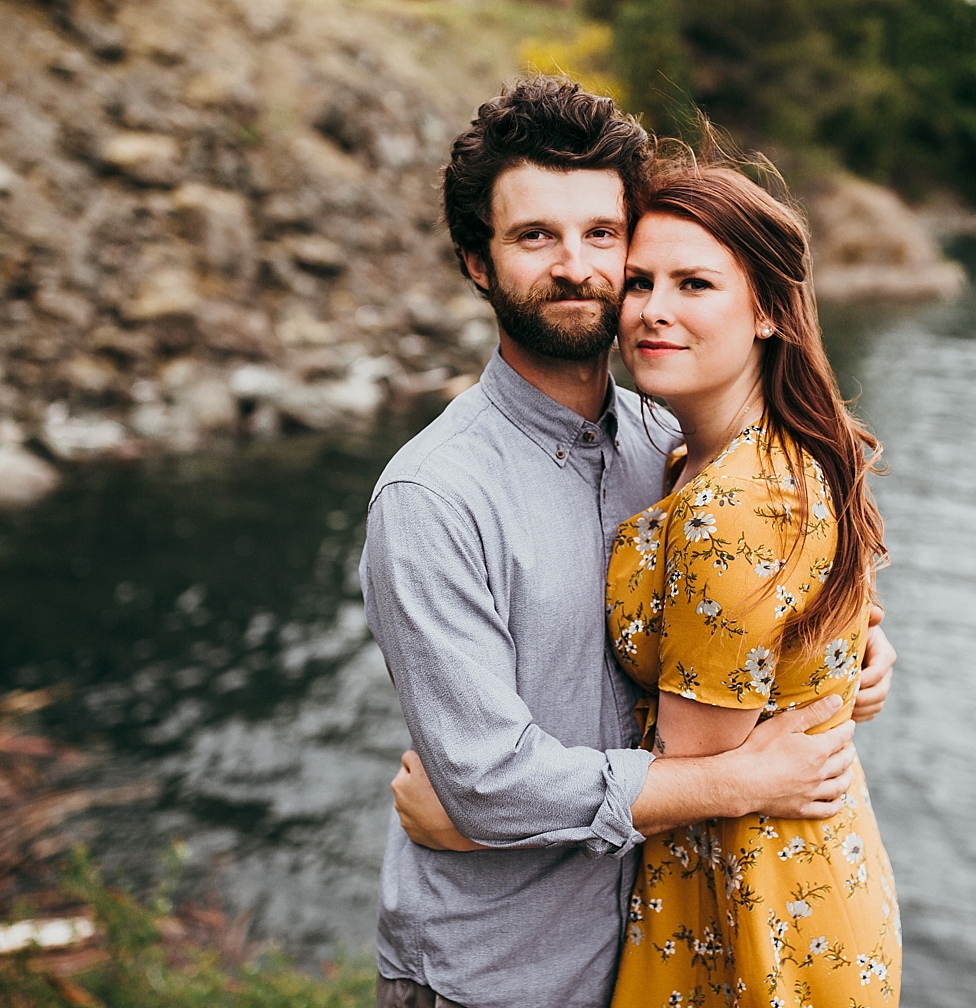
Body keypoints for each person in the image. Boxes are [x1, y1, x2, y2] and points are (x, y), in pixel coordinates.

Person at [361, 77, 896, 1008]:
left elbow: (759, 594)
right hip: (500, 975)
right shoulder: (432, 496)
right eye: (534, 236)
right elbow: (490, 781)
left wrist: (852, 652)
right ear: (476, 263)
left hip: (667, 951)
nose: (577, 266)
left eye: (602, 236)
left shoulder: (671, 446)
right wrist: (738, 780)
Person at [603, 152, 900, 1007]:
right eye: (638, 283)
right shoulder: (727, 459)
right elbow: (831, 625)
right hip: (801, 888)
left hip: (751, 924)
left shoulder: (730, 506)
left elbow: (689, 773)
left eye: (694, 284)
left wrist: (476, 820)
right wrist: (862, 655)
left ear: (769, 310)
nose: (653, 311)